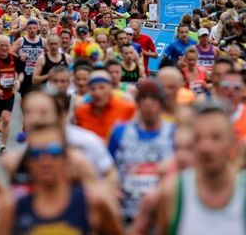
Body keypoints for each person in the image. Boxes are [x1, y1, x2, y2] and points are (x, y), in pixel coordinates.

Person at [0, 124, 122, 235]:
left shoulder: (93, 204)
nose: (45, 161)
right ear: (27, 161)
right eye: (36, 153)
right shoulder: (13, 207)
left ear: (66, 158)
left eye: (54, 151)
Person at [157, 100, 246, 235]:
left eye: (216, 138)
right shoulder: (172, 193)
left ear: (232, 141)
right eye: (198, 138)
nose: (206, 147)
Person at [109, 78, 175, 224]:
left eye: (154, 99)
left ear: (161, 103)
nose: (148, 104)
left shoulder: (173, 133)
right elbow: (108, 168)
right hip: (127, 213)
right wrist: (112, 188)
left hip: (162, 216)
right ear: (138, 103)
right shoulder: (120, 132)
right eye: (144, 99)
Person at [74, 70, 136, 140]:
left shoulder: (127, 109)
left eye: (102, 87)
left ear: (110, 88)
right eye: (93, 89)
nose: (97, 93)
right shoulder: (80, 112)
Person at [11, 19, 44, 97]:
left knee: (37, 98)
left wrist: (44, 57)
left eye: (34, 28)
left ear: (37, 29)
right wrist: (19, 57)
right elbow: (10, 53)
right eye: (30, 28)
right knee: (25, 97)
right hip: (25, 74)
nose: (32, 30)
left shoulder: (43, 41)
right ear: (26, 29)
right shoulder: (21, 40)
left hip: (37, 74)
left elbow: (50, 55)